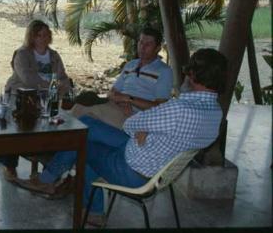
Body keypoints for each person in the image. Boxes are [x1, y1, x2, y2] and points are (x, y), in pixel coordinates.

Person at [16, 48, 227, 227]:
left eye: (188, 71)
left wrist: (144, 127)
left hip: (134, 169)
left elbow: (131, 124)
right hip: (150, 157)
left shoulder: (179, 108)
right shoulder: (215, 113)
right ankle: (84, 204)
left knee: (84, 143)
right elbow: (156, 129)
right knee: (88, 126)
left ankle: (51, 182)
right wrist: (149, 130)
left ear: (193, 75)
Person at [1, 20, 72, 180]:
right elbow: (28, 79)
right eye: (39, 35)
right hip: (21, 95)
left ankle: (49, 166)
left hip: (47, 97)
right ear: (32, 37)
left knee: (55, 126)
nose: (43, 38)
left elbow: (63, 78)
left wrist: (64, 87)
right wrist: (53, 86)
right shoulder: (23, 54)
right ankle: (10, 165)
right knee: (15, 127)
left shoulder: (54, 56)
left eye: (46, 35)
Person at [71, 27, 174, 129]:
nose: (142, 47)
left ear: (158, 48)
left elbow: (161, 107)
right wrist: (119, 100)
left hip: (136, 116)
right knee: (79, 107)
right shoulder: (130, 65)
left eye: (148, 44)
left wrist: (129, 99)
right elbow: (112, 92)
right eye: (141, 42)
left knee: (85, 111)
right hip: (117, 108)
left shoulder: (164, 71)